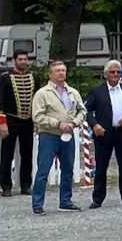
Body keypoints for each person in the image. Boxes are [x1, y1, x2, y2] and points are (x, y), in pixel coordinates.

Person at [27, 60, 85, 215]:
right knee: (43, 170)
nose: (61, 73)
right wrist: (58, 124)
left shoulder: (73, 92)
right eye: (58, 70)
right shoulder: (42, 94)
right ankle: (37, 203)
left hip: (68, 134)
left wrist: (74, 123)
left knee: (68, 169)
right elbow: (38, 116)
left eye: (63, 70)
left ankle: (65, 201)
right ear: (50, 74)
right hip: (49, 135)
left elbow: (82, 110)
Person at [84, 59, 122, 208]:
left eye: (118, 72)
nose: (115, 75)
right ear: (105, 74)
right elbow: (86, 110)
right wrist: (94, 124)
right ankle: (98, 198)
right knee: (102, 166)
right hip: (104, 133)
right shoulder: (97, 91)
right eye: (112, 72)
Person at [0, 50, 38, 195]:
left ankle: (26, 185)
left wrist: (37, 120)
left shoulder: (34, 77)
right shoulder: (6, 78)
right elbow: (0, 101)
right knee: (7, 155)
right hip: (11, 120)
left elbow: (37, 100)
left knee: (27, 154)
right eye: (20, 59)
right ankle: (6, 186)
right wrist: (2, 122)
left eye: (25, 59)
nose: (23, 62)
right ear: (14, 60)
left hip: (28, 121)